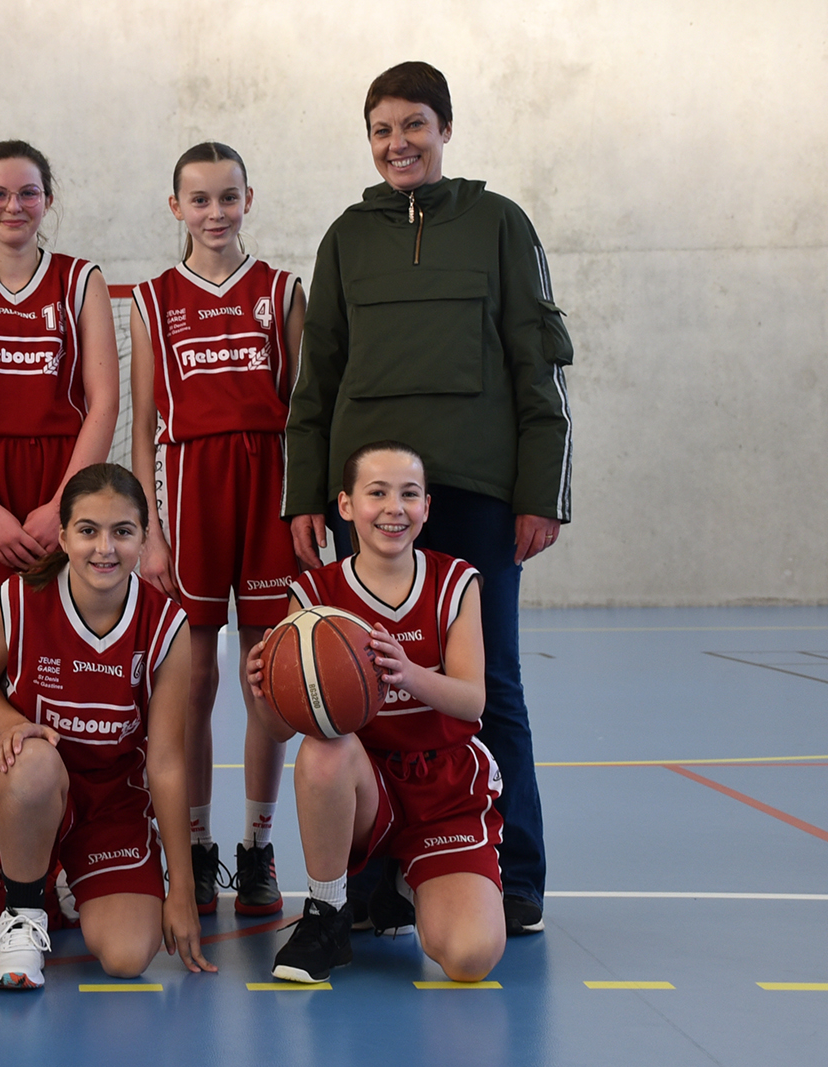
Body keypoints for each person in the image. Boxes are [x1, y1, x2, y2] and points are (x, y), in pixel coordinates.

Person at [284, 61, 573, 935]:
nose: (398, 143)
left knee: (494, 687)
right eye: (381, 130)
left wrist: (541, 490)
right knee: (364, 689)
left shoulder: (499, 223)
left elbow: (539, 364)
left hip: (477, 494)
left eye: (414, 125)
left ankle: (512, 871)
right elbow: (317, 374)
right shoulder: (346, 236)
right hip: (369, 505)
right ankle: (373, 884)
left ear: (444, 129)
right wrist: (308, 493)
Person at [0, 140, 120, 855]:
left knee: (67, 653)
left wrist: (61, 506)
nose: (13, 205)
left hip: (63, 487)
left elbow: (104, 403)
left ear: (48, 199)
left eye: (28, 192)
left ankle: (70, 832)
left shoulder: (79, 280)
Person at [249, 441, 505, 984]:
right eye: (377, 493)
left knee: (468, 958)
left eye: (409, 494)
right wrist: (264, 692)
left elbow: (473, 699)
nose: (394, 507)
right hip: (366, 786)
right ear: (346, 506)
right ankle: (327, 915)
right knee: (324, 749)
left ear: (427, 507)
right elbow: (280, 729)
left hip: (443, 787)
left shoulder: (456, 581)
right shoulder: (314, 594)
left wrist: (408, 673)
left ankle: (403, 882)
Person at [130, 142, 305, 918]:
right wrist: (150, 530)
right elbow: (140, 428)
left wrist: (304, 510)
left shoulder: (281, 290)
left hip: (268, 484)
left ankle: (258, 847)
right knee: (192, 682)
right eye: (198, 200)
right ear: (175, 207)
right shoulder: (153, 298)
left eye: (227, 197)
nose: (214, 212)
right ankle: (195, 847)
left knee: (266, 683)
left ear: (249, 198)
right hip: (189, 488)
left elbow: (307, 413)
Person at [0, 464, 213, 988]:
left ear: (144, 536)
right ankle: (23, 916)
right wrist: (12, 723)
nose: (105, 548)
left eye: (123, 531)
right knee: (34, 761)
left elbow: (164, 761)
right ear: (65, 535)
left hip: (111, 797)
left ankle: (56, 875)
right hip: (29, 779)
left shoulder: (167, 625)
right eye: (88, 530)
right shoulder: (18, 598)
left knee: (126, 957)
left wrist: (180, 886)